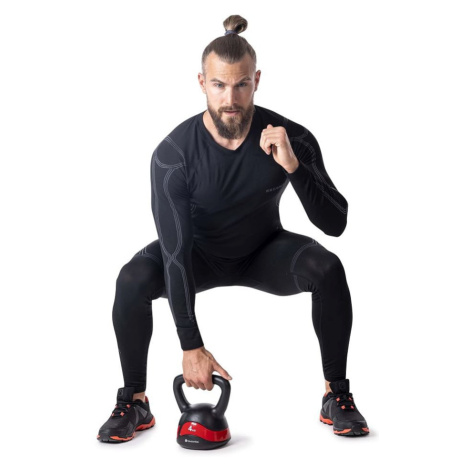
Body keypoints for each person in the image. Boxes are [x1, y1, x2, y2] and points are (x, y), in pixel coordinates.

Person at [97, 14, 369, 443]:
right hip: (197, 256)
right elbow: (174, 253)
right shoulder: (174, 155)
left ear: (256, 80)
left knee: (327, 267)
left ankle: (335, 394)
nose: (231, 98)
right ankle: (135, 401)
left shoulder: (290, 137)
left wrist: (293, 167)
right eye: (219, 85)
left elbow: (335, 223)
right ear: (201, 83)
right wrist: (191, 345)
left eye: (241, 84)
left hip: (264, 251)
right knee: (132, 279)